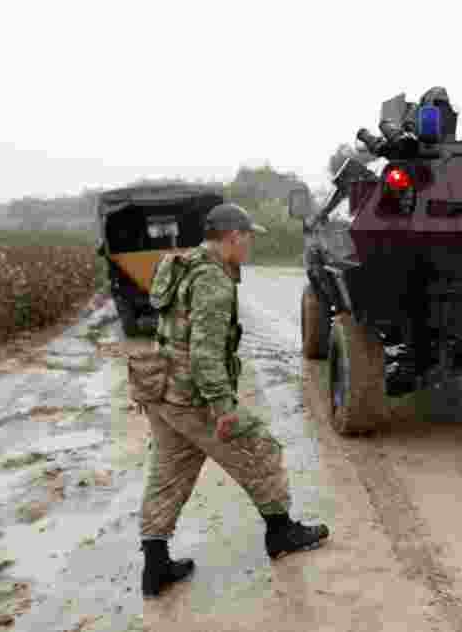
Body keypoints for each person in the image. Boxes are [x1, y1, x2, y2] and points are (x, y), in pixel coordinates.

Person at [137, 202, 329, 599]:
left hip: (160, 387)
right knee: (260, 448)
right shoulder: (212, 280)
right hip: (191, 396)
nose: (251, 246)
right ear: (233, 237)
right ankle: (281, 532)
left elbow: (168, 329)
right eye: (249, 238)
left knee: (168, 473)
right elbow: (206, 352)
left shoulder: (181, 263)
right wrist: (223, 408)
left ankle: (154, 566)